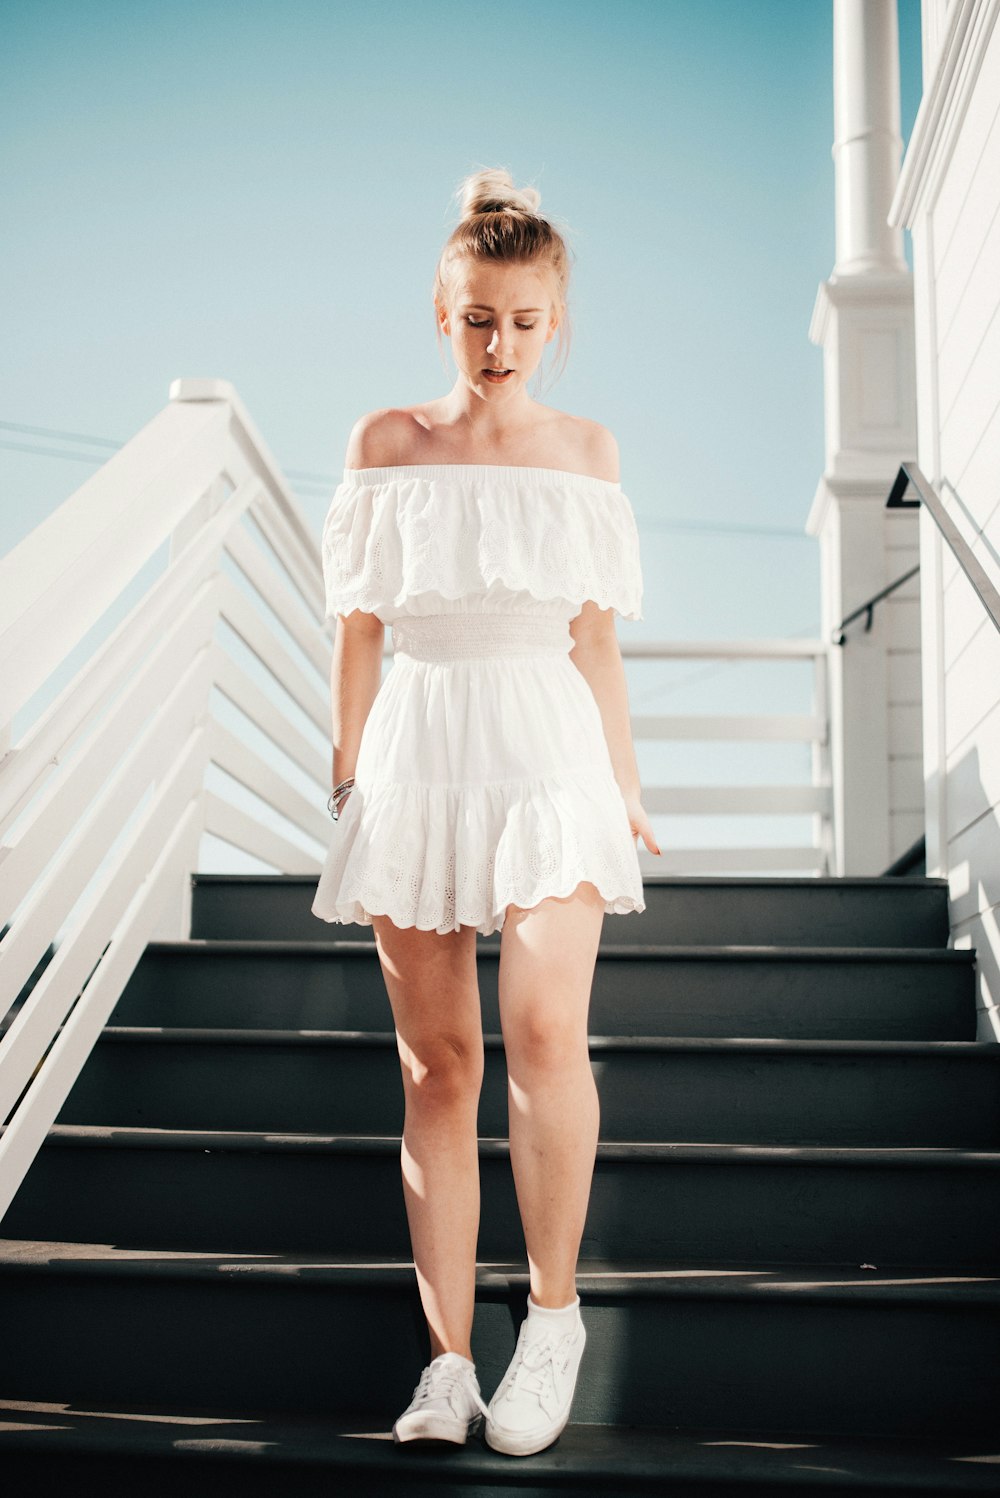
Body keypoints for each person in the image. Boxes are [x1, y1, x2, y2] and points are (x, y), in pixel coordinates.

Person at [311, 165, 661, 1458]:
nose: (499, 343)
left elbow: (598, 645)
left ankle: (553, 1316)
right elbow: (355, 632)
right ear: (441, 313)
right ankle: (448, 1360)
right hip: (418, 740)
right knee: (439, 1064)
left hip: (546, 744)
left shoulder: (588, 453)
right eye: (476, 319)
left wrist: (623, 785)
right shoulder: (381, 443)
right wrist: (347, 779)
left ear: (554, 318)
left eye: (522, 320)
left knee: (542, 1025)